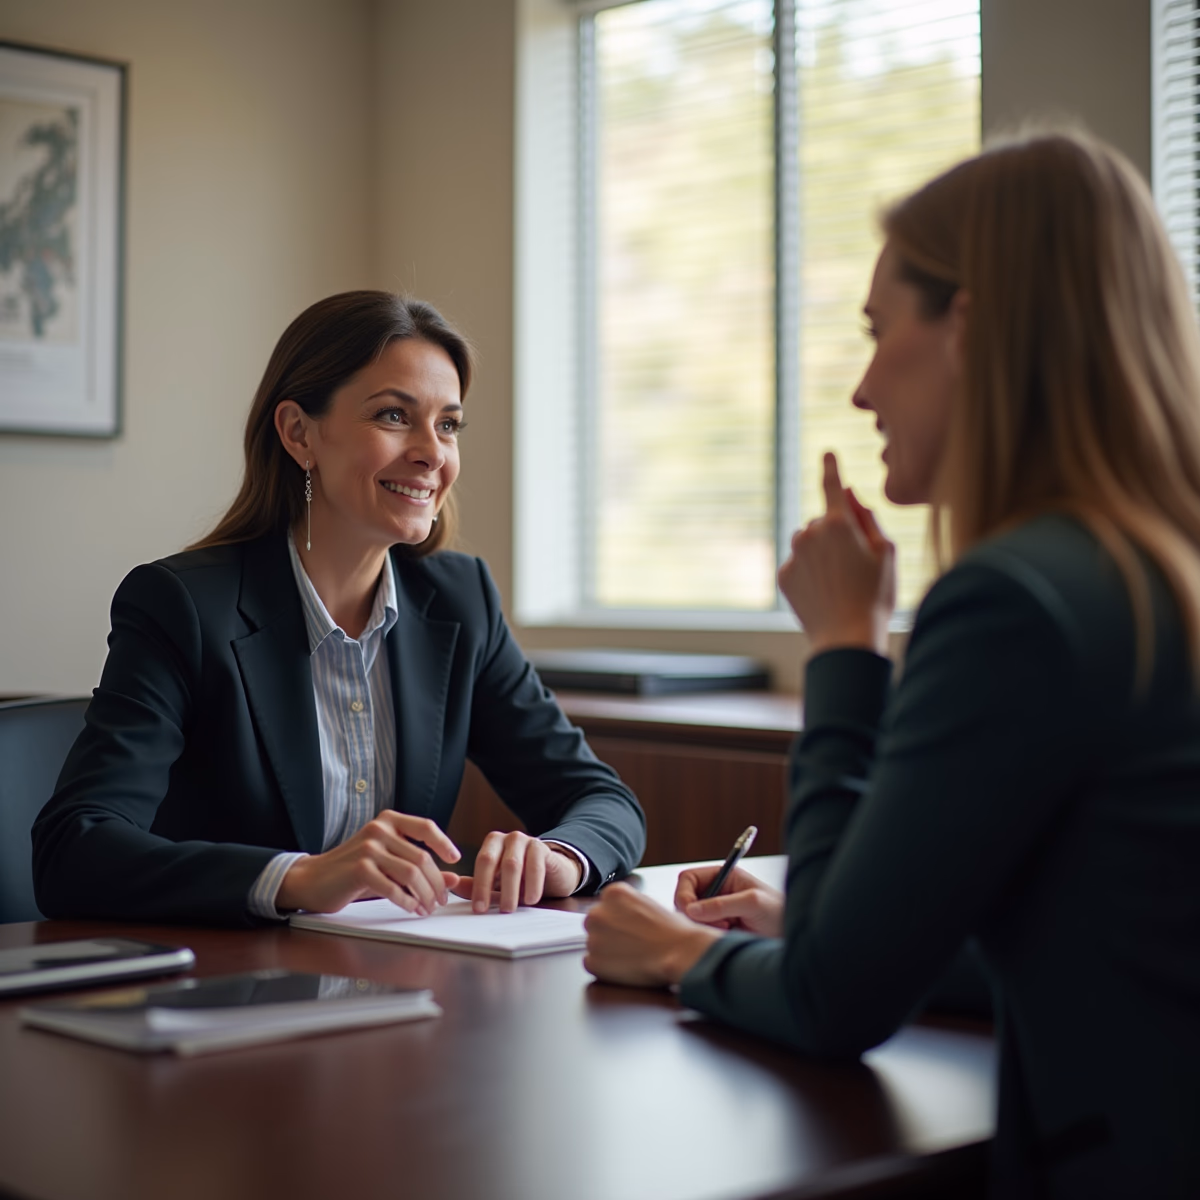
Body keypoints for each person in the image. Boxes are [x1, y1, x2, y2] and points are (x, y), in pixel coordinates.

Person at [583, 131, 1200, 1198]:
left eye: (878, 332)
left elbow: (831, 1002)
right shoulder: (1158, 572)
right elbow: (1115, 949)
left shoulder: (1014, 599)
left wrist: (843, 646)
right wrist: (852, 919)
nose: (864, 389)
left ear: (971, 326)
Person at [33, 292, 645, 926]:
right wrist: (298, 876)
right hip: (224, 989)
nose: (433, 453)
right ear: (300, 433)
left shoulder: (460, 601)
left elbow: (602, 800)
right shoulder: (183, 607)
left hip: (402, 979)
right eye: (392, 415)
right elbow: (74, 851)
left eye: (449, 424)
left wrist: (560, 858)